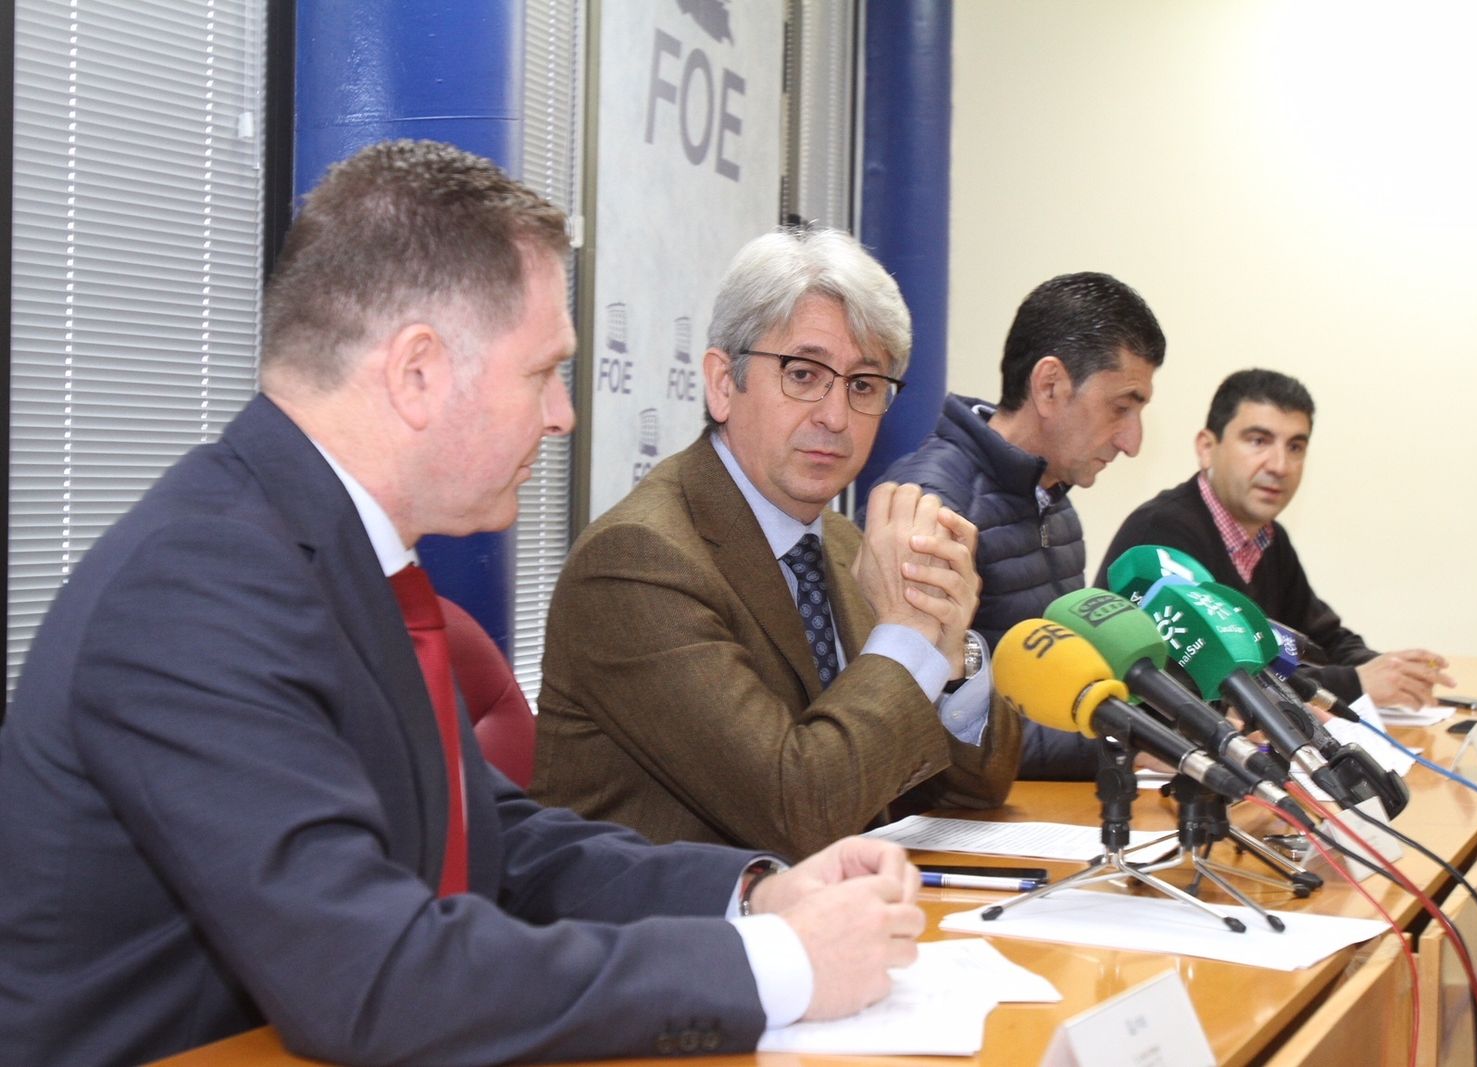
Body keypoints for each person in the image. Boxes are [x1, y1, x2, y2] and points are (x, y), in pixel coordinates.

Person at [0, 141, 927, 1067]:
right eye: (542, 373)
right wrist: (772, 966)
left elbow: (497, 842)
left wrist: (757, 893)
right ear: (417, 373)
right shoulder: (196, 587)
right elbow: (370, 978)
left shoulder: (323, 551)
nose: (561, 414)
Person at [533, 228, 1021, 859]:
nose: (835, 416)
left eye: (864, 385)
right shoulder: (638, 562)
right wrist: (905, 637)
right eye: (803, 373)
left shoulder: (847, 548)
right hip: (676, 942)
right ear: (721, 382)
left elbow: (980, 786)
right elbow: (801, 811)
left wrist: (951, 653)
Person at [870, 272, 1166, 778]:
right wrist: (1129, 744)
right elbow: (928, 727)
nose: (1132, 441)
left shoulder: (1057, 508)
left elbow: (1057, 694)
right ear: (1049, 387)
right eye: (1121, 408)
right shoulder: (932, 509)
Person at [1096, 368, 1454, 708]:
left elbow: (1321, 640)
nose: (1279, 465)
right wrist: (1356, 683)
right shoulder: (1161, 536)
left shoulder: (1268, 538)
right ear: (1207, 447)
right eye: (1258, 441)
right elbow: (1208, 690)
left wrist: (1390, 669)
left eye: (1296, 447)